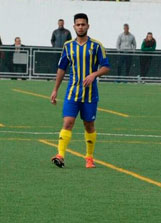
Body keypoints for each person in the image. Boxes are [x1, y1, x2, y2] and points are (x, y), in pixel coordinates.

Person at [50, 13, 110, 169]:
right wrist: (55, 89)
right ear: (74, 26)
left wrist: (94, 74)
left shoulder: (96, 46)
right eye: (78, 24)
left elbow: (106, 66)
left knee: (89, 125)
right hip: (72, 92)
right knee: (68, 122)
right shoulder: (68, 46)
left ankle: (89, 158)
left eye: (83, 24)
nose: (81, 27)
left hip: (90, 94)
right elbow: (62, 68)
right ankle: (60, 155)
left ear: (88, 26)